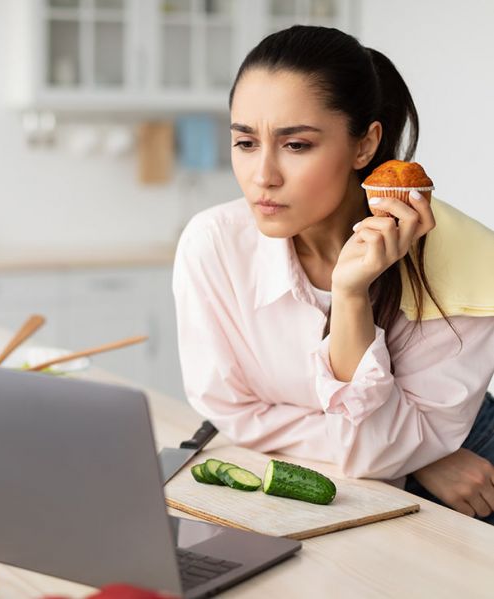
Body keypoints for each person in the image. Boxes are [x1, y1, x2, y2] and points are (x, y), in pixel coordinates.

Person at [172, 25, 494, 524]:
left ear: (364, 146)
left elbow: (380, 449)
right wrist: (418, 459)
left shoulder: (465, 262)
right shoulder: (214, 243)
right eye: (245, 142)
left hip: (469, 470)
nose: (263, 175)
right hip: (414, 464)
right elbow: (231, 411)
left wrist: (350, 295)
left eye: (296, 145)